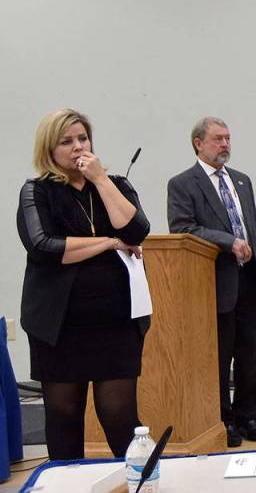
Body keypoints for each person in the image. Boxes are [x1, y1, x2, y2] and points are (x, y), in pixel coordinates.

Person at [17, 109, 150, 459]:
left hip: (116, 323)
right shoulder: (37, 191)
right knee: (63, 417)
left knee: (120, 415)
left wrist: (101, 180)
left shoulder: (116, 185)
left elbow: (137, 231)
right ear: (49, 149)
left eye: (83, 138)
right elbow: (44, 246)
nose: (78, 147)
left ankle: (139, 481)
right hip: (59, 328)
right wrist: (107, 242)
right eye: (67, 141)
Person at [167, 117, 256, 448]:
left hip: (251, 279)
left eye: (228, 138)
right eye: (217, 139)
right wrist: (227, 242)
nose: (225, 144)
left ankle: (248, 415)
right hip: (214, 281)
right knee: (220, 353)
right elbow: (183, 228)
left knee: (251, 353)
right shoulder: (183, 184)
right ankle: (222, 418)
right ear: (198, 143)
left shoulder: (242, 181)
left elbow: (252, 228)